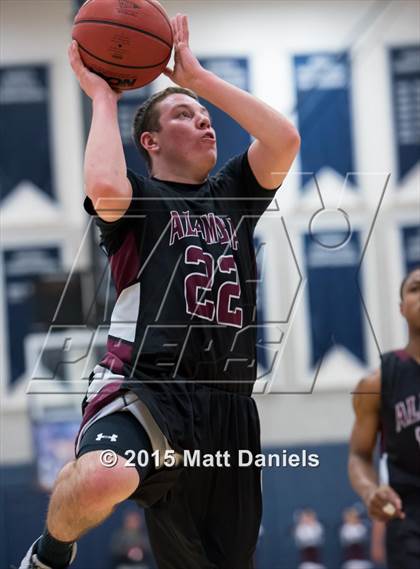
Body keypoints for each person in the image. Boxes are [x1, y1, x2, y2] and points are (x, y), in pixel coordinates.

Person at [19, 13, 300, 569]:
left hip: (228, 407)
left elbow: (283, 138)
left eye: (205, 117)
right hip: (148, 383)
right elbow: (102, 185)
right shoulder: (140, 199)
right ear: (149, 140)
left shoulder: (234, 194)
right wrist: (103, 97)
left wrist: (198, 82)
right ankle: (50, 555)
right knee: (104, 475)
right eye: (184, 114)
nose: (205, 123)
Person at [348, 267, 420, 569]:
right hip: (409, 518)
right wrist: (371, 491)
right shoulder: (377, 382)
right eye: (416, 288)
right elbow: (359, 455)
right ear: (401, 308)